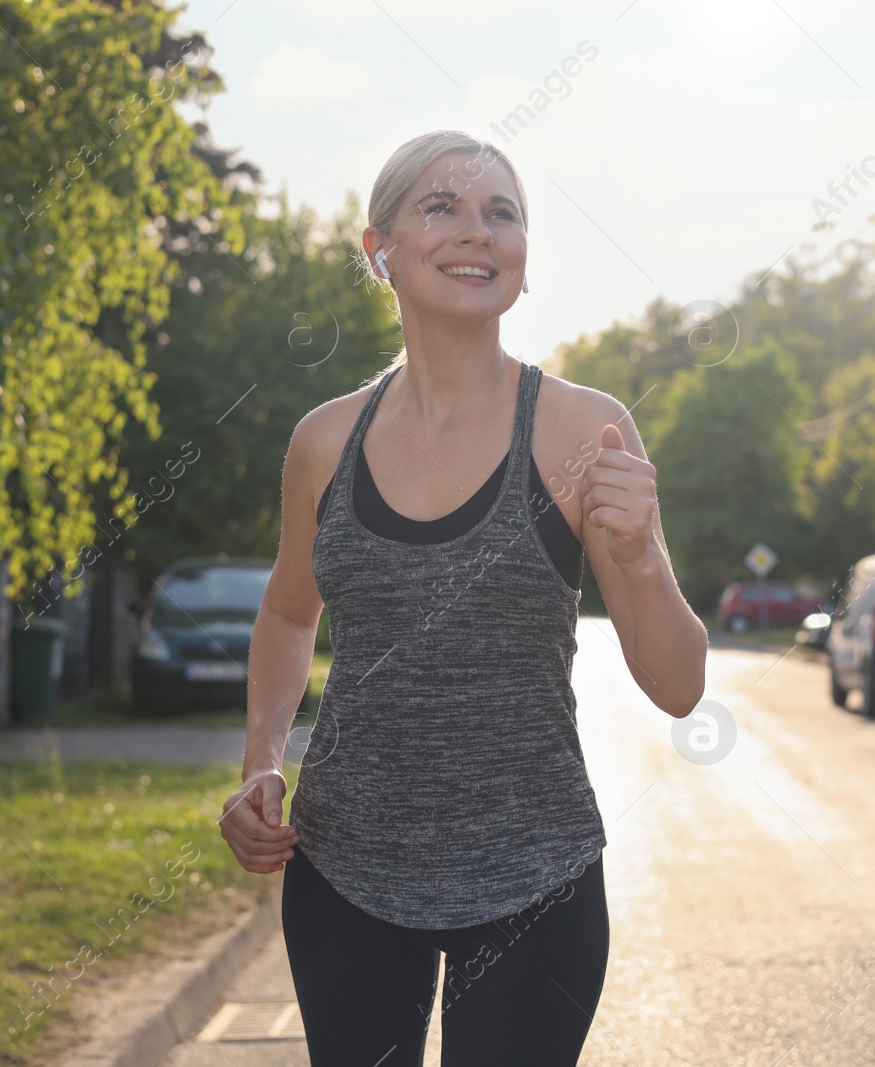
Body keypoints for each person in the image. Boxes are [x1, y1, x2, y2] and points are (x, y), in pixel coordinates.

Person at [218, 129, 707, 1065]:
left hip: (537, 875)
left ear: (523, 254)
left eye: (502, 213)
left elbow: (680, 689)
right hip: (343, 867)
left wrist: (641, 554)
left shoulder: (585, 429)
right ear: (381, 250)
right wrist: (259, 761)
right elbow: (288, 611)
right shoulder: (325, 443)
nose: (476, 232)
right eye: (441, 207)